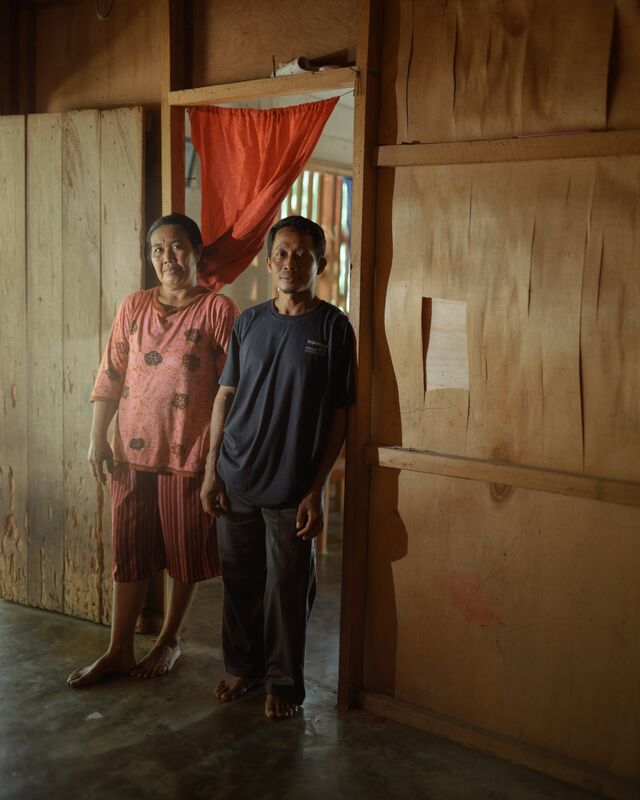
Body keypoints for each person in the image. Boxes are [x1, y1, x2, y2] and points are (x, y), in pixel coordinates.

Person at [67, 213, 238, 688]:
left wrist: (217, 460)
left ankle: (169, 640)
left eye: (178, 246)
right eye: (158, 249)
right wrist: (97, 436)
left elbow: (233, 386)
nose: (168, 257)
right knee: (131, 548)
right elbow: (111, 374)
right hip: (130, 452)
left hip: (188, 453)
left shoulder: (218, 311)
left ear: (197, 252)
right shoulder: (134, 307)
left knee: (184, 550)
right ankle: (119, 648)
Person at [200, 215, 355, 719]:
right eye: (283, 254)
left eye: (303, 255)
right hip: (237, 472)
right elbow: (226, 396)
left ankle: (284, 684)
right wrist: (211, 469)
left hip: (292, 483)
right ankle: (244, 668)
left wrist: (317, 488)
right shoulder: (248, 322)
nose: (291, 264)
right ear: (269, 263)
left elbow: (340, 415)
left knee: (288, 587)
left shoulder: (333, 327)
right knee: (240, 579)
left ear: (320, 264)